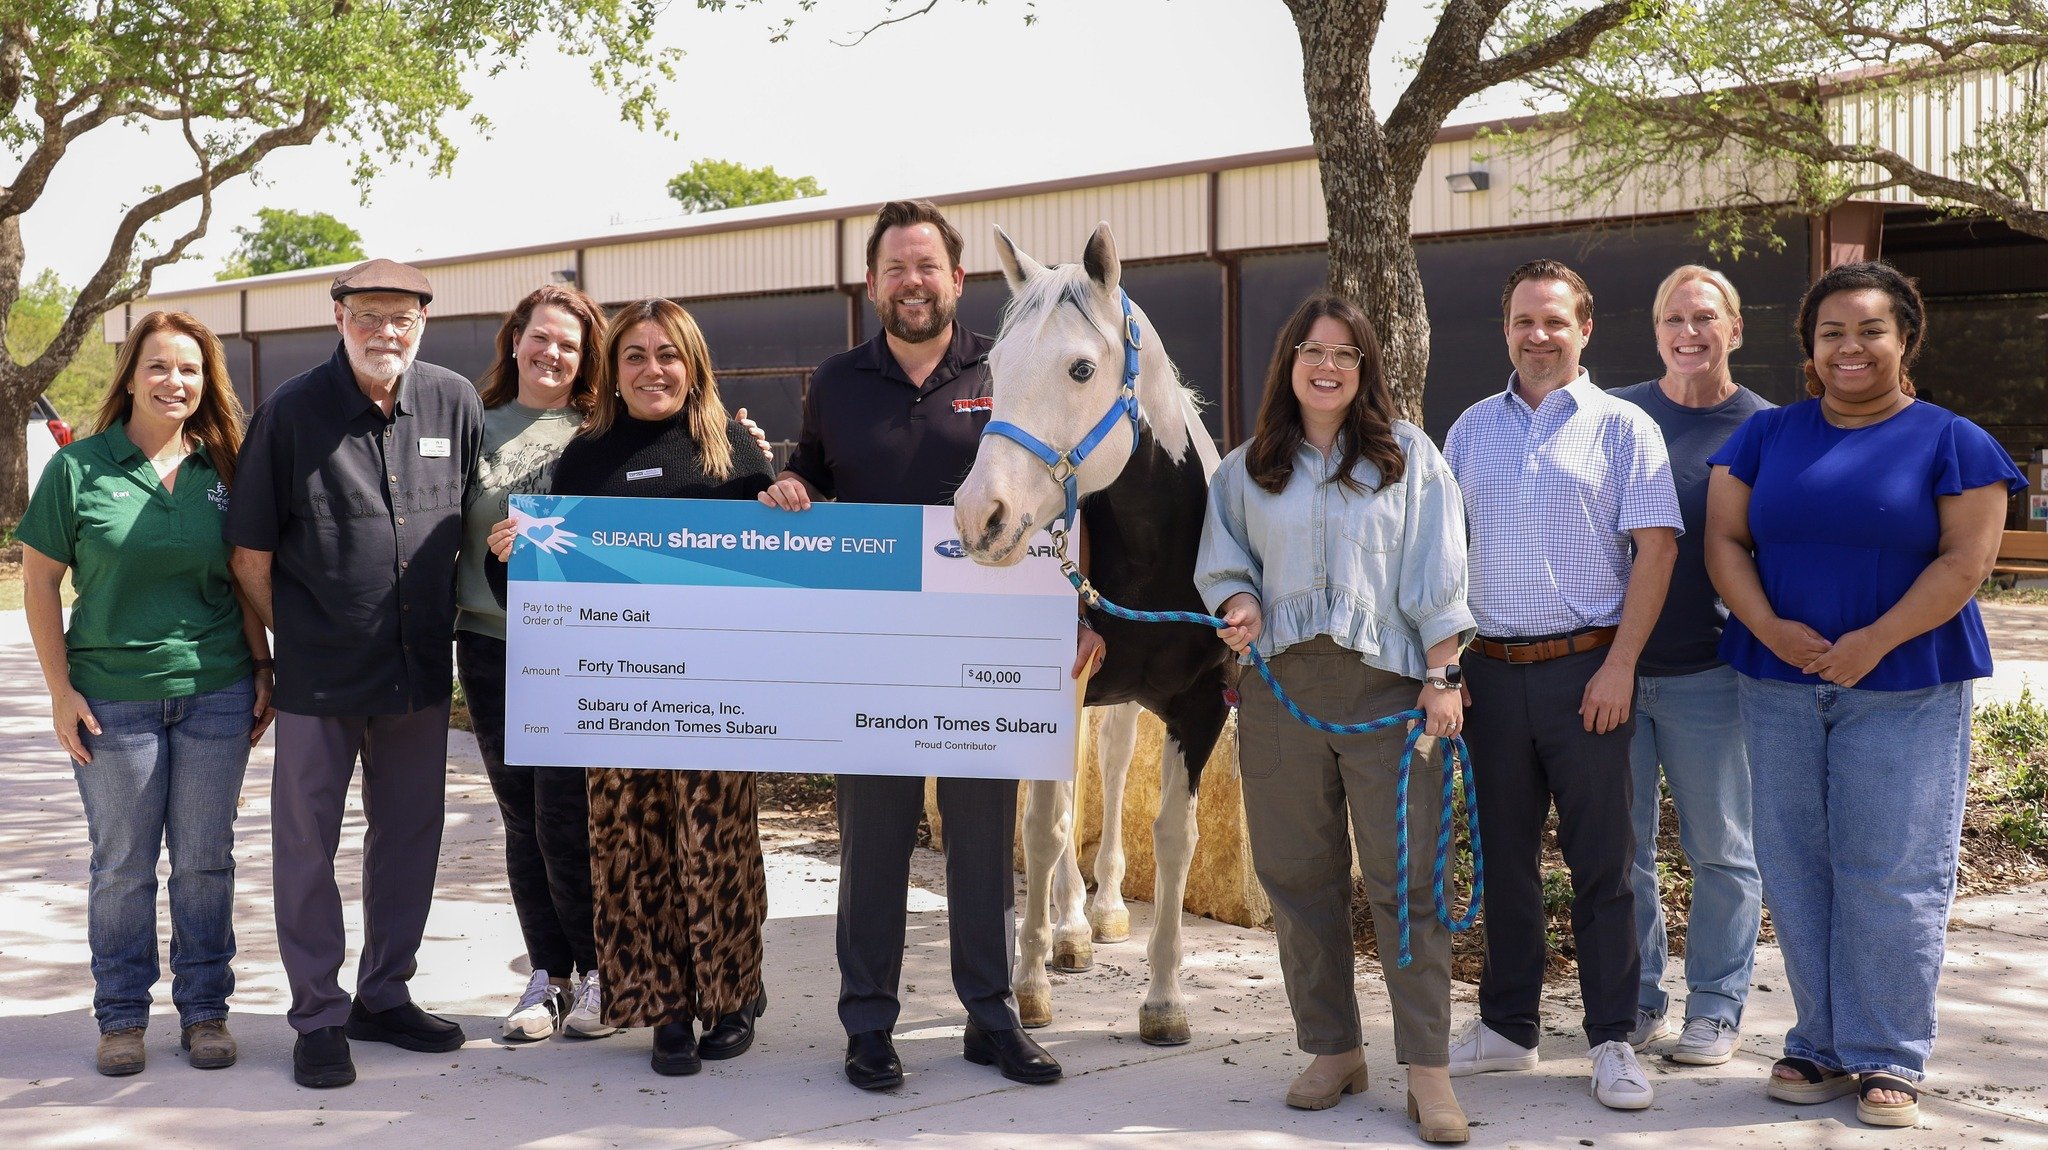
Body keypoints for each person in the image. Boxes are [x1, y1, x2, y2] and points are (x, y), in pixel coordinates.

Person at [758, 199, 1100, 1091]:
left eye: (928, 266)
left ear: (958, 278)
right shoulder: (836, 380)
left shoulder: (1007, 364)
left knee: (985, 845)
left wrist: (1078, 609)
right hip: (873, 651)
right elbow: (812, 471)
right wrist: (793, 485)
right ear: (872, 284)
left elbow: (1064, 493)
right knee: (872, 846)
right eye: (895, 268)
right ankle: (868, 1024)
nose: (913, 282)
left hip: (986, 644)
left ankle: (990, 1019)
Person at [1704, 260, 2021, 1128]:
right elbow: (1725, 541)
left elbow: (1966, 562)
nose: (1851, 347)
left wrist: (1872, 642)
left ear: (1905, 339)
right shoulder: (1766, 438)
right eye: (1832, 332)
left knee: (1891, 873)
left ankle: (1886, 1055)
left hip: (1906, 685)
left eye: (1871, 330)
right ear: (1809, 346)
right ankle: (1820, 1042)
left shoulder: (1955, 442)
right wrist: (1770, 629)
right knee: (1796, 866)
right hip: (1778, 684)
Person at [1195, 294, 1476, 1142]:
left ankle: (1427, 1071)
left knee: (1408, 883)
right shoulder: (1246, 470)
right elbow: (1223, 565)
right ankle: (1333, 1049)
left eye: (1346, 354)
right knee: (1297, 878)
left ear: (1365, 370)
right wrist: (1240, 599)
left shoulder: (1408, 459)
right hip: (1281, 695)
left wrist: (1443, 674)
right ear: (1289, 363)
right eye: (1312, 350)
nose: (1328, 366)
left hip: (1388, 695)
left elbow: (1439, 571)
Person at [489, 298, 775, 1077]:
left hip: (717, 700)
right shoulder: (585, 460)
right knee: (632, 855)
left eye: (669, 355)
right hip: (616, 702)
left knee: (717, 853)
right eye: (636, 356)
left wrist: (787, 502)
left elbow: (784, 578)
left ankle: (732, 996)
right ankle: (663, 1007)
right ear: (613, 372)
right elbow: (538, 594)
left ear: (695, 365)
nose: (654, 370)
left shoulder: (735, 457)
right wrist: (506, 556)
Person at [225, 258, 483, 1089]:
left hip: (416, 671)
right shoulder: (292, 411)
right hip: (319, 677)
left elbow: (474, 520)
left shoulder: (453, 400)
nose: (386, 332)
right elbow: (250, 552)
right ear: (337, 317)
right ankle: (317, 1016)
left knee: (409, 839)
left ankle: (384, 994)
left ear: (423, 324)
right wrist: (284, 645)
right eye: (369, 315)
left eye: (402, 317)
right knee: (307, 846)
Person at [1442, 259, 1681, 1111]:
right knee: (1505, 863)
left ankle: (1614, 1037)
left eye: (1554, 321)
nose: (1537, 335)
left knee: (1603, 867)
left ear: (1585, 329)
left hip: (1591, 672)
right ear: (1504, 327)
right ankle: (1508, 1030)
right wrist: (1447, 668)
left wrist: (1620, 665)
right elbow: (1442, 556)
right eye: (1522, 321)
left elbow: (1658, 548)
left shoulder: (1623, 428)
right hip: (1491, 677)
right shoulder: (1469, 430)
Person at [20, 311, 274, 1077]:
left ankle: (205, 1012)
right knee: (123, 864)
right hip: (113, 700)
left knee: (205, 859)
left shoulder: (224, 468)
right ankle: (122, 1017)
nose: (175, 382)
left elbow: (241, 576)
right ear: (130, 375)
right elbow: (38, 583)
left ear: (208, 383)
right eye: (159, 366)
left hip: (217, 693)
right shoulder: (78, 468)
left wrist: (262, 667)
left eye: (190, 369)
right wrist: (60, 691)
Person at [1609, 266, 1770, 1064]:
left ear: (1734, 330)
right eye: (1674, 317)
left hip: (1715, 675)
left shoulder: (1767, 428)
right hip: (1615, 671)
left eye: (1705, 317)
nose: (1689, 332)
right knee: (1626, 850)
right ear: (1657, 329)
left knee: (1724, 850)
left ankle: (1715, 1004)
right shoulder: (1617, 416)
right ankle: (1639, 999)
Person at [455, 284, 613, 1041]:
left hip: (575, 653)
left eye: (570, 345)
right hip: (488, 644)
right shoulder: (472, 427)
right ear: (514, 339)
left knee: (568, 819)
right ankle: (545, 980)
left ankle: (597, 976)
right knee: (521, 818)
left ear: (587, 359)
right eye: (541, 337)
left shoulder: (600, 430)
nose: (553, 354)